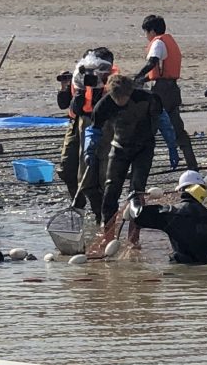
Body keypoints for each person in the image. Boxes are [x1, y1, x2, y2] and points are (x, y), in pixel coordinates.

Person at [126, 171, 207, 264]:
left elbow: (137, 215)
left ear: (180, 191)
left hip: (178, 272)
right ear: (202, 191)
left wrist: (133, 199)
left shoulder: (170, 213)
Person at [90, 73, 161, 224]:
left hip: (144, 148)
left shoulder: (148, 99)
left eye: (123, 97)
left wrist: (172, 144)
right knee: (110, 191)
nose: (120, 101)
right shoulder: (103, 105)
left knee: (137, 191)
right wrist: (89, 150)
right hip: (119, 147)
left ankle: (134, 236)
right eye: (116, 98)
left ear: (129, 93)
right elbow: (94, 130)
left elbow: (163, 122)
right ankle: (107, 233)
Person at [135, 15, 198, 171]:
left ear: (152, 31)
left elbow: (152, 62)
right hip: (171, 89)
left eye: (146, 32)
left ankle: (139, 167)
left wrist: (137, 77)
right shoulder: (169, 41)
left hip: (162, 91)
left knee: (148, 128)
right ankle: (191, 164)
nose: (146, 36)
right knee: (176, 126)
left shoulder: (157, 43)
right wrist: (145, 78)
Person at [58, 49, 113, 219]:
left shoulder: (110, 79)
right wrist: (67, 88)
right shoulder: (79, 76)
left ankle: (101, 213)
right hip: (77, 123)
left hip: (101, 125)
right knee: (67, 168)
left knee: (94, 174)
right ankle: (79, 205)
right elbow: (63, 104)